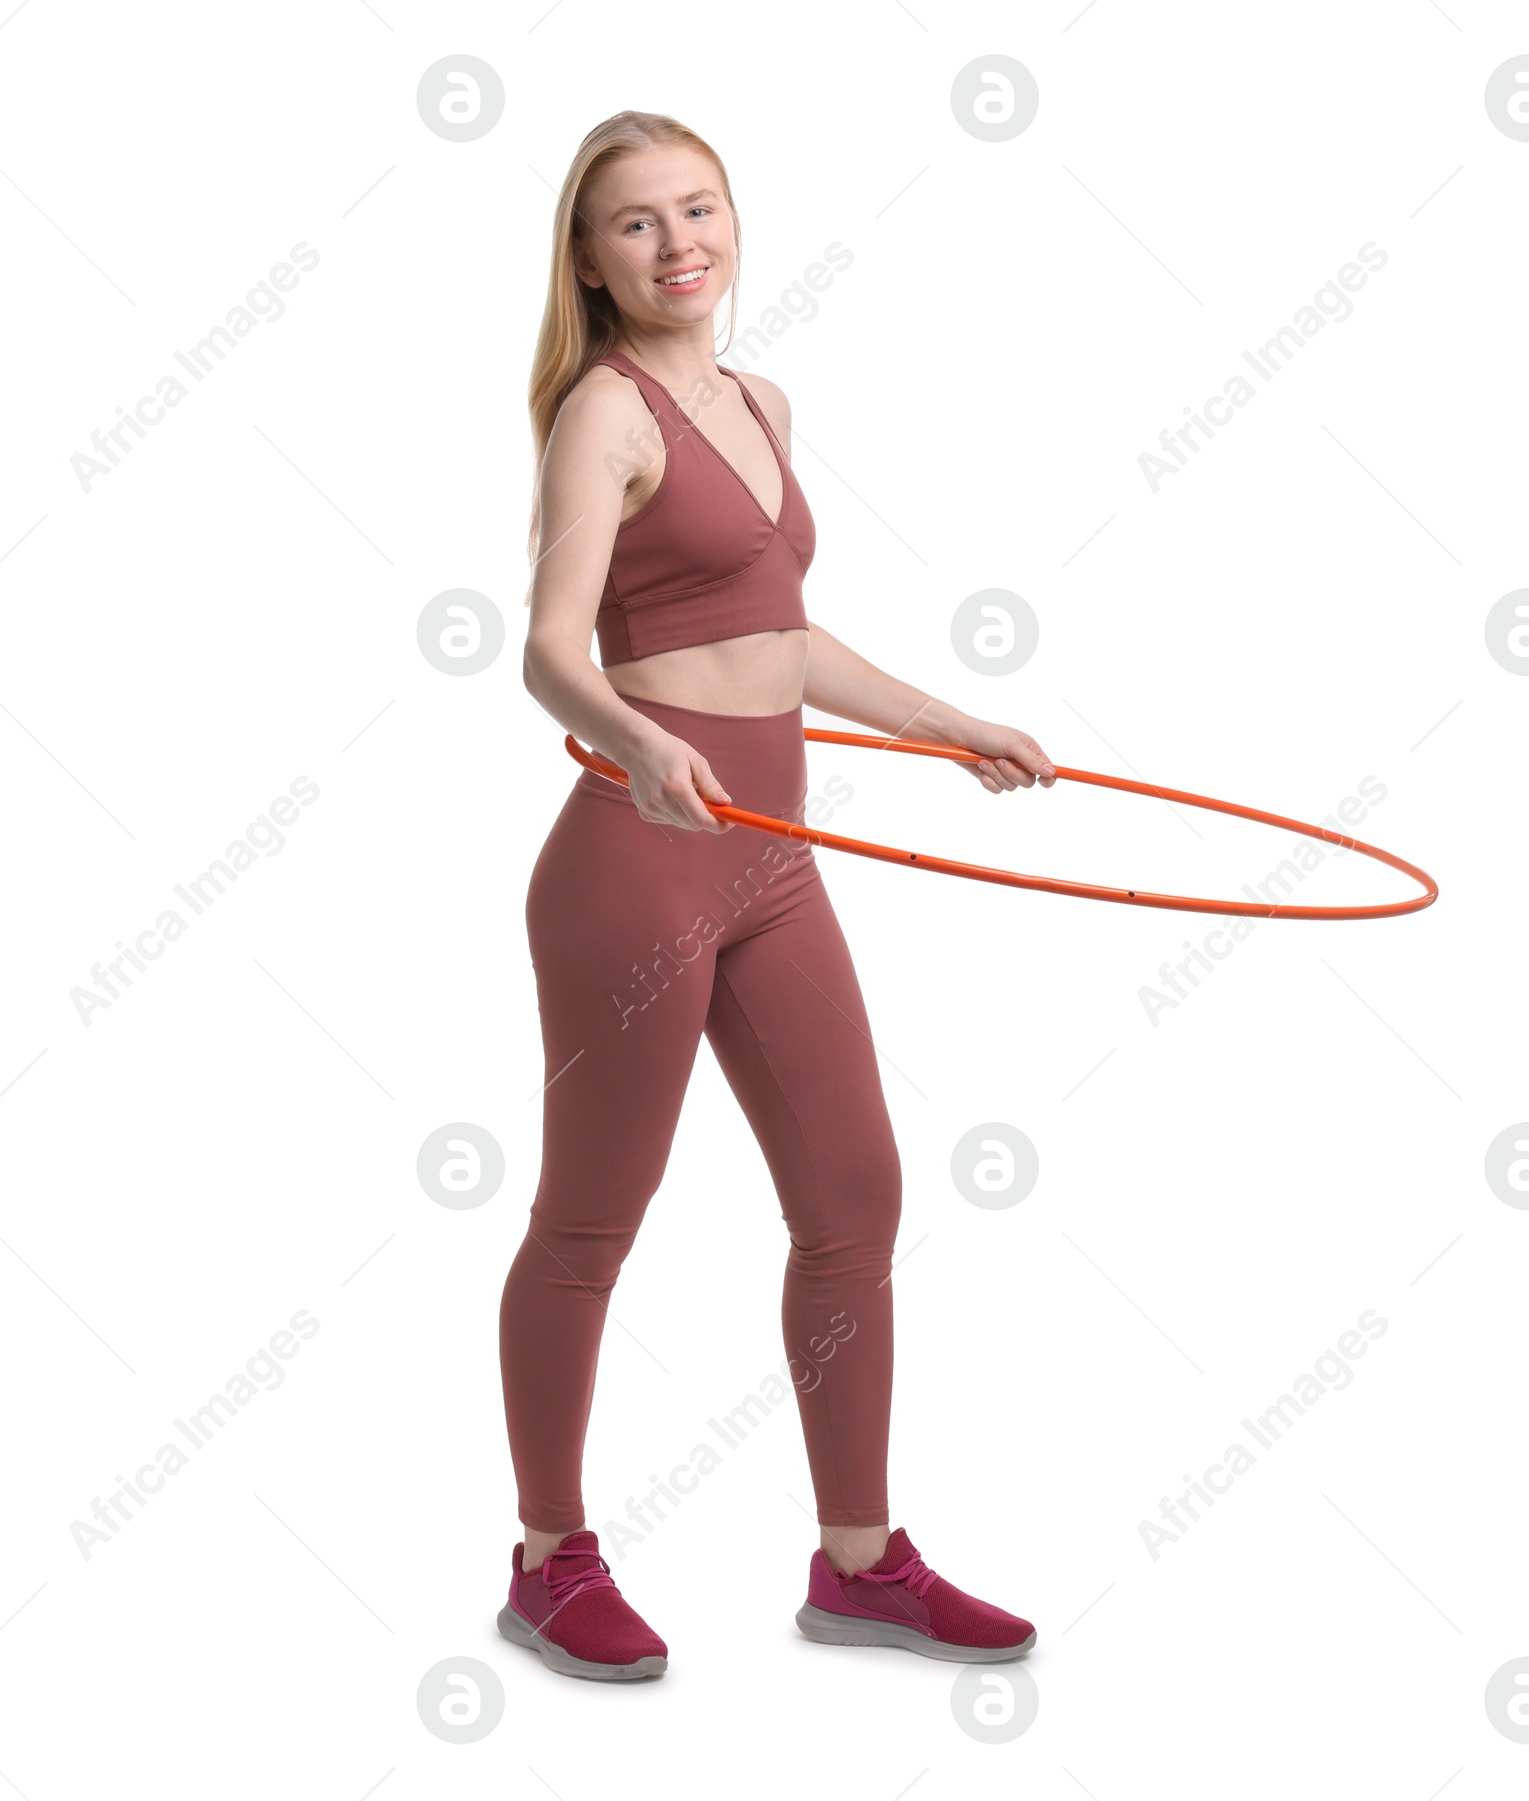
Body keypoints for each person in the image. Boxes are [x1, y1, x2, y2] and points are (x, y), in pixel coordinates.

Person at [497, 110, 1055, 1682]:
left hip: (775, 860)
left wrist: (952, 726)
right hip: (638, 857)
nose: (678, 242)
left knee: (858, 1193)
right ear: (591, 264)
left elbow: (782, 639)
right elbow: (547, 641)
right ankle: (549, 1554)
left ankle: (861, 1561)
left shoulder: (761, 401)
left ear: (732, 222)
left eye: (698, 209)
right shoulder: (599, 417)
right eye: (634, 223)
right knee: (594, 1218)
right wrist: (635, 733)